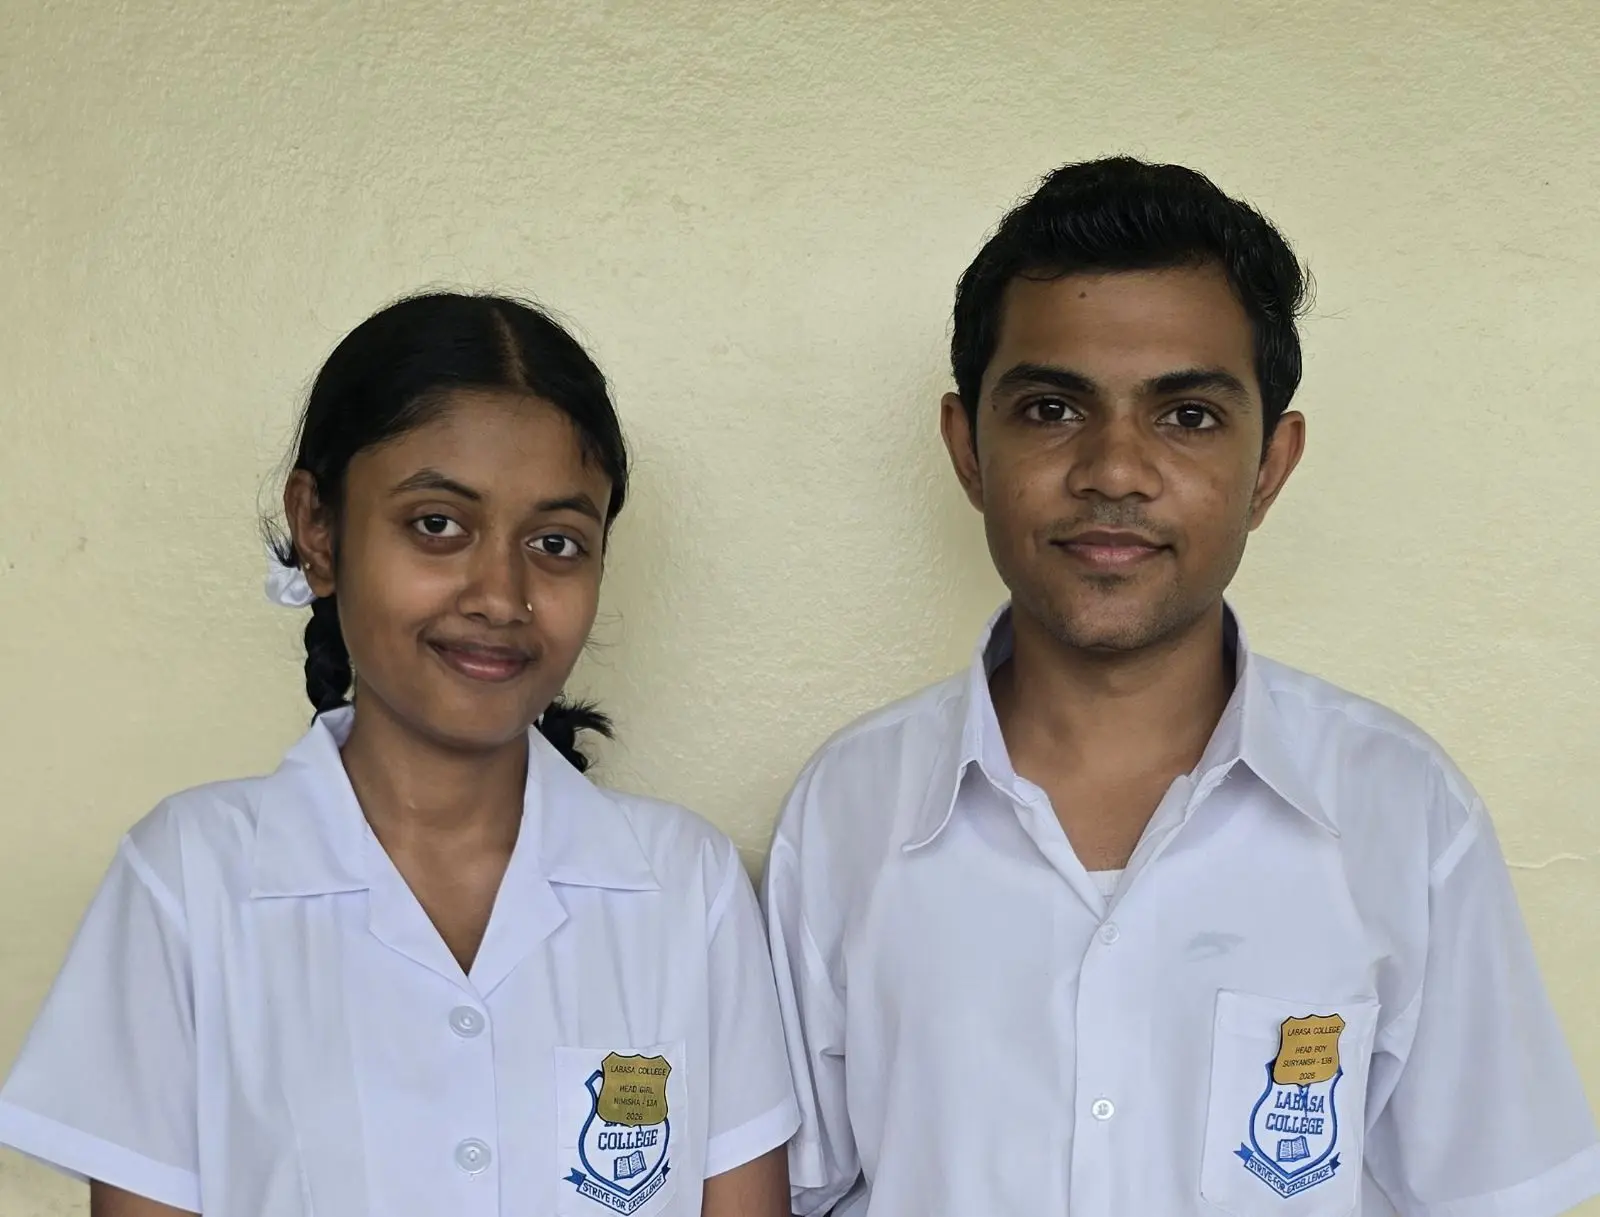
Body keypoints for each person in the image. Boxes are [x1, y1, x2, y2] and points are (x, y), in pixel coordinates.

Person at [762, 158, 1600, 1217]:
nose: (1114, 469)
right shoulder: (849, 811)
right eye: (1052, 407)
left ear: (1270, 467)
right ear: (967, 449)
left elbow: (1487, 1192)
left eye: (1189, 416)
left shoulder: (1401, 809)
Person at [0, 292, 797, 1217]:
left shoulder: (683, 888)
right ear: (320, 528)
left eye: (555, 542)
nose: (501, 593)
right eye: (436, 524)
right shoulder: (190, 880)